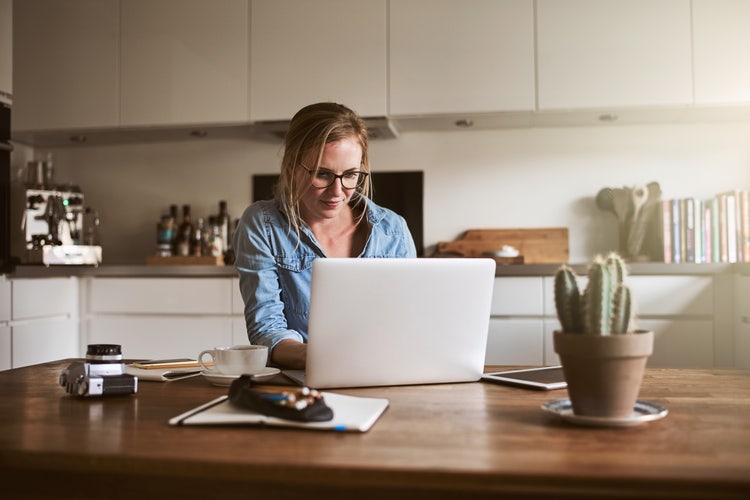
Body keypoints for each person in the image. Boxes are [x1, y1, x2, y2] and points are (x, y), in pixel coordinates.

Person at [233, 102, 417, 369]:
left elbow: (408, 321)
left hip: (383, 371)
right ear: (291, 166)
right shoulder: (262, 225)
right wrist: (319, 357)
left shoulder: (393, 230)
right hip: (303, 380)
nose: (337, 191)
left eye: (351, 175)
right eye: (322, 174)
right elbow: (266, 328)